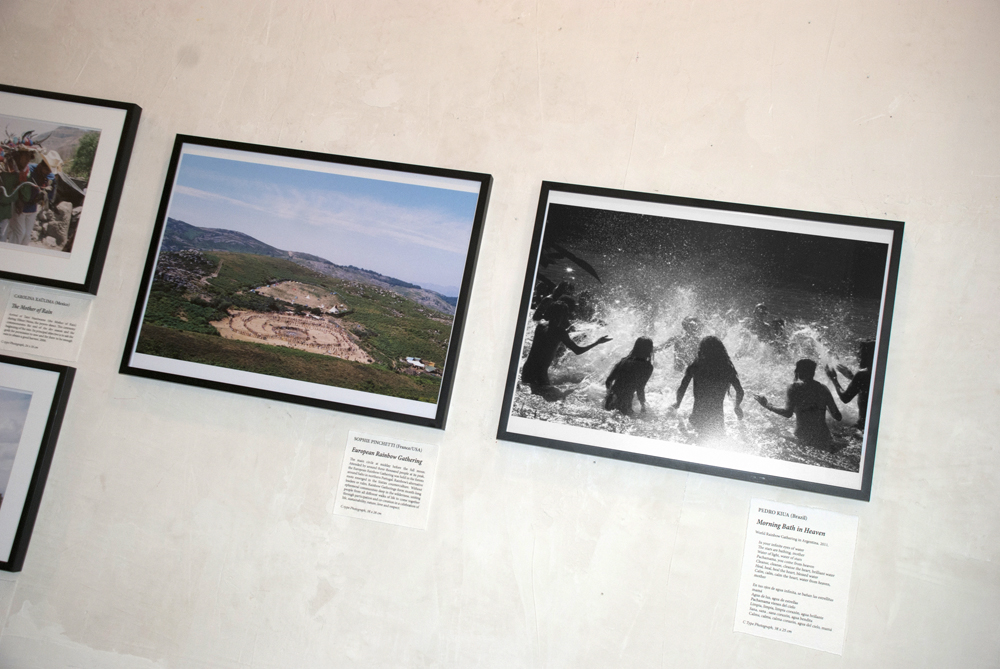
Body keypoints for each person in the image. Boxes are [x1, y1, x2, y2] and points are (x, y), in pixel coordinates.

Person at [521, 301, 611, 398]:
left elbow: (547, 341)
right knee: (553, 399)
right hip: (540, 374)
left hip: (527, 369)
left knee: (529, 396)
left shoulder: (540, 326)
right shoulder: (560, 332)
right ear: (563, 315)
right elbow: (578, 350)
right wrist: (597, 342)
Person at [756, 359, 842, 448]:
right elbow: (838, 416)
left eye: (797, 369)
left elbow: (787, 413)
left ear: (799, 372)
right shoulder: (823, 389)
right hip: (824, 438)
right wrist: (821, 405)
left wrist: (767, 405)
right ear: (813, 372)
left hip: (803, 438)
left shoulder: (794, 388)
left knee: (773, 432)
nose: (795, 371)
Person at [673, 335, 744, 438]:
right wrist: (737, 406)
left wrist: (678, 403)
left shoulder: (696, 366)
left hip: (697, 416)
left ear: (702, 350)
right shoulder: (726, 368)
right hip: (717, 418)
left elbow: (682, 387)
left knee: (697, 441)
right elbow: (740, 391)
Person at [826, 340, 875, 430]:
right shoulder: (883, 372)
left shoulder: (862, 374)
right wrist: (852, 377)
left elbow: (845, 398)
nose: (858, 355)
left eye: (860, 352)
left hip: (863, 426)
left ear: (867, 354)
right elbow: (868, 387)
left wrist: (834, 379)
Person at [604, 337, 654, 416]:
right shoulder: (647, 367)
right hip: (625, 403)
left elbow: (608, 381)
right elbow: (640, 388)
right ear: (650, 349)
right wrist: (643, 406)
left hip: (610, 400)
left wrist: (609, 394)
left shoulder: (624, 361)